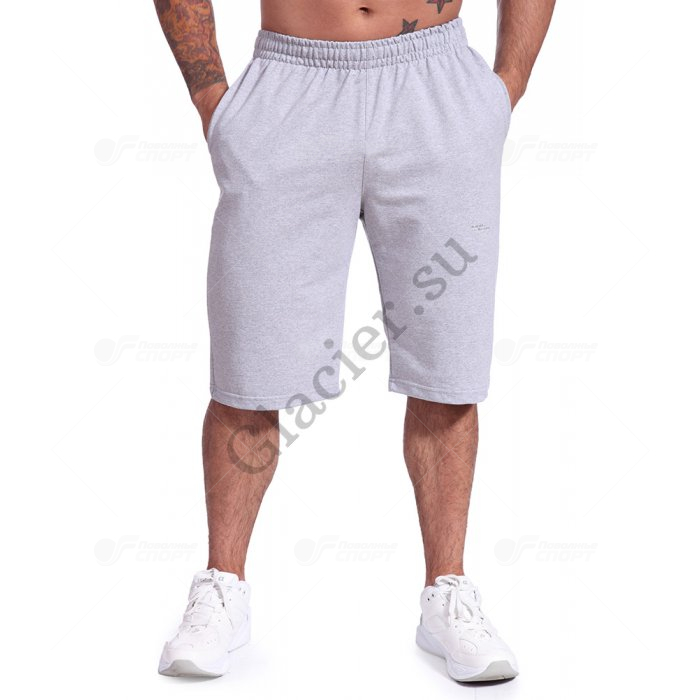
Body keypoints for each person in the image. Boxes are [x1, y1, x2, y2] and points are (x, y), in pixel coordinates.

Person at [153, 0, 555, 682]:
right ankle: (222, 588)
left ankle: (448, 593)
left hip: (437, 84)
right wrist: (210, 97)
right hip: (290, 85)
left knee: (448, 364)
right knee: (250, 368)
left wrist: (506, 85)